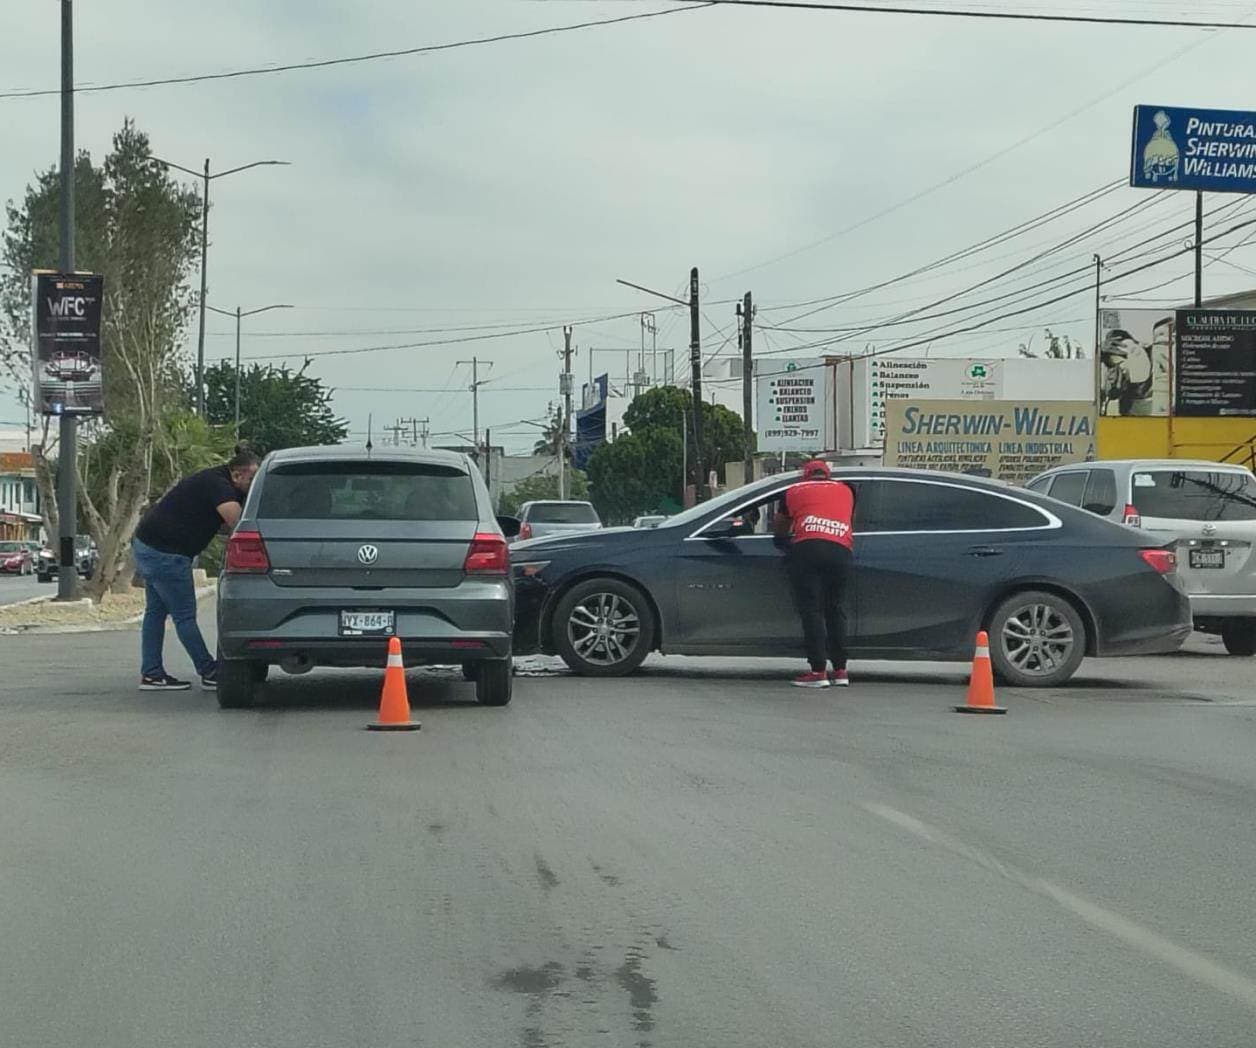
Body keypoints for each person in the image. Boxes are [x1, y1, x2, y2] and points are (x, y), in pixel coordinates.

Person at [132, 444, 261, 691]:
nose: (253, 485)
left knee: (156, 613)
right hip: (167, 554)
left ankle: (151, 673)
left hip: (148, 544)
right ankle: (209, 670)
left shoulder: (214, 480)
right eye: (252, 479)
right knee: (184, 616)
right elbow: (238, 523)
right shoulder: (220, 486)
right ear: (237, 475)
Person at [774, 458, 855, 689]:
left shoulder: (794, 491)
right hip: (841, 551)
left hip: (807, 549)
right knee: (836, 608)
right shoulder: (847, 490)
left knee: (812, 610)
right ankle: (840, 670)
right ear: (828, 475)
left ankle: (818, 671)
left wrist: (781, 540)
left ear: (805, 476)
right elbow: (848, 519)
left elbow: (780, 525)